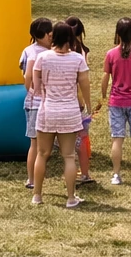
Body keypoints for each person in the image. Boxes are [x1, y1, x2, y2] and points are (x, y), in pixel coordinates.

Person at [31, 21, 90, 208]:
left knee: (42, 154)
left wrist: (40, 93)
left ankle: (37, 195)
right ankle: (71, 197)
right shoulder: (77, 59)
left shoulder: (43, 57)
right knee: (69, 156)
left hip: (48, 111)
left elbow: (35, 82)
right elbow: (84, 84)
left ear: (53, 36)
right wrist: (88, 104)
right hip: (69, 112)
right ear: (71, 38)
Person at [101, 17, 131, 185]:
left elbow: (105, 77)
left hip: (116, 102)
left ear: (117, 35)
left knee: (117, 139)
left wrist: (104, 94)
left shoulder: (111, 54)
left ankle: (116, 174)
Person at [19, 17, 54, 190]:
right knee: (38, 145)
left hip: (33, 102)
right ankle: (33, 179)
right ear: (47, 35)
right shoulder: (42, 53)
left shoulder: (27, 50)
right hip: (39, 102)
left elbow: (22, 70)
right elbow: (28, 77)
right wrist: (33, 91)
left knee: (36, 144)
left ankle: (32, 178)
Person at [64, 16, 95, 184]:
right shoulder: (82, 51)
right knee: (81, 137)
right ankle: (84, 173)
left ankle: (70, 172)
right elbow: (83, 80)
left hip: (61, 101)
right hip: (77, 101)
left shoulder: (57, 51)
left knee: (66, 141)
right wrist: (86, 102)